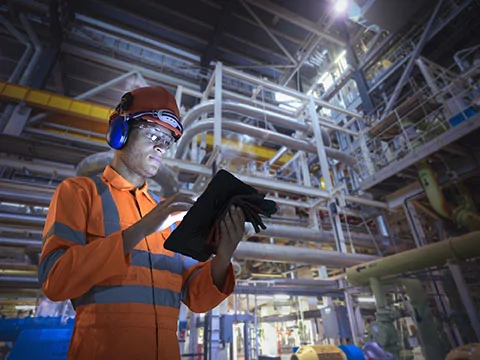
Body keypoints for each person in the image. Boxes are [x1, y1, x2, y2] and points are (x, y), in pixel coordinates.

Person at [38, 86, 246, 360]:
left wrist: (223, 257)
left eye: (168, 140)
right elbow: (55, 280)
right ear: (120, 130)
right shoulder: (79, 193)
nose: (161, 146)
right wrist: (141, 230)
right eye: (153, 134)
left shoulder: (169, 213)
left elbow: (195, 296)